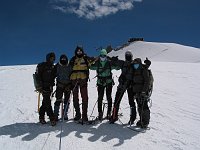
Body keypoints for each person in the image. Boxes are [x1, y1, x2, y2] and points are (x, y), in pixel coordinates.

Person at [90, 49, 120, 120]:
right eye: (101, 55)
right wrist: (92, 61)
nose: (102, 57)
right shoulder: (97, 63)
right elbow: (90, 67)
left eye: (104, 55)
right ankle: (100, 113)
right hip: (100, 83)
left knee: (108, 97)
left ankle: (109, 112)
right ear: (99, 56)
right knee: (100, 98)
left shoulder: (109, 63)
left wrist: (115, 61)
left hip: (108, 82)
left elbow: (118, 68)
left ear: (106, 56)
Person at [69, 46, 95, 122]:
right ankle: (78, 114)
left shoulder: (86, 59)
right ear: (76, 52)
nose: (79, 52)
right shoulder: (73, 59)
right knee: (75, 98)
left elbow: (91, 63)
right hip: (74, 80)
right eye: (78, 51)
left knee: (85, 98)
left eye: (80, 51)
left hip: (83, 80)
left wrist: (92, 59)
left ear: (82, 52)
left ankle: (84, 115)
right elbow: (69, 69)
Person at [109, 51, 136, 124]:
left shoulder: (134, 64)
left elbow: (140, 67)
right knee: (117, 101)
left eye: (129, 56)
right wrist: (113, 59)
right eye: (127, 56)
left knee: (130, 102)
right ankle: (114, 116)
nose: (128, 57)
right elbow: (116, 62)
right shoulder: (123, 63)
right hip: (123, 84)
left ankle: (132, 118)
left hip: (129, 85)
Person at [34, 52, 57, 126]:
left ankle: (41, 117)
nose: (52, 60)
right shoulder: (42, 65)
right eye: (51, 58)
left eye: (53, 58)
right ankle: (52, 118)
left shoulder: (53, 67)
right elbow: (37, 76)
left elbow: (55, 76)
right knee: (47, 102)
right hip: (43, 87)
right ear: (48, 58)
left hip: (50, 87)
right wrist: (39, 87)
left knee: (45, 102)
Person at [132, 58, 151, 128]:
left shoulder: (143, 70)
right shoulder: (135, 71)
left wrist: (144, 91)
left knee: (144, 106)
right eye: (134, 64)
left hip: (143, 92)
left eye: (136, 63)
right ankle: (142, 120)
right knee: (140, 106)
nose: (135, 65)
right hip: (137, 92)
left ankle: (145, 122)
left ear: (139, 63)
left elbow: (147, 81)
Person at [54, 54, 72, 121]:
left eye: (64, 59)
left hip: (68, 85)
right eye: (62, 60)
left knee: (66, 101)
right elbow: (54, 74)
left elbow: (72, 75)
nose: (63, 61)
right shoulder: (57, 66)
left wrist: (71, 85)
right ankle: (55, 115)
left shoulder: (69, 66)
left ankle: (65, 114)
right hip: (60, 85)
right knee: (58, 99)